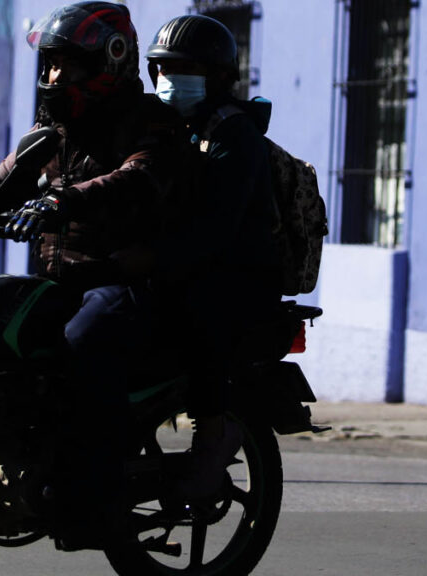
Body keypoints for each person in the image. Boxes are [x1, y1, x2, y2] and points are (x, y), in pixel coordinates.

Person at [0, 1, 182, 550]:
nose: (54, 76)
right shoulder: (56, 128)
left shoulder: (149, 120)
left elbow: (139, 177)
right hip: (64, 284)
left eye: (67, 64)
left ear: (110, 60)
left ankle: (96, 499)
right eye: (49, 64)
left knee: (86, 339)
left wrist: (64, 201)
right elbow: (0, 181)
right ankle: (9, 450)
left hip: (129, 281)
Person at [145, 14, 283, 500]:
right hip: (192, 258)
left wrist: (151, 261)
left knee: (197, 308)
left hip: (238, 272)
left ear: (221, 76)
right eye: (161, 68)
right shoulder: (171, 128)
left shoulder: (233, 133)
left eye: (183, 69)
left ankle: (214, 430)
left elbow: (216, 228)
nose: (168, 79)